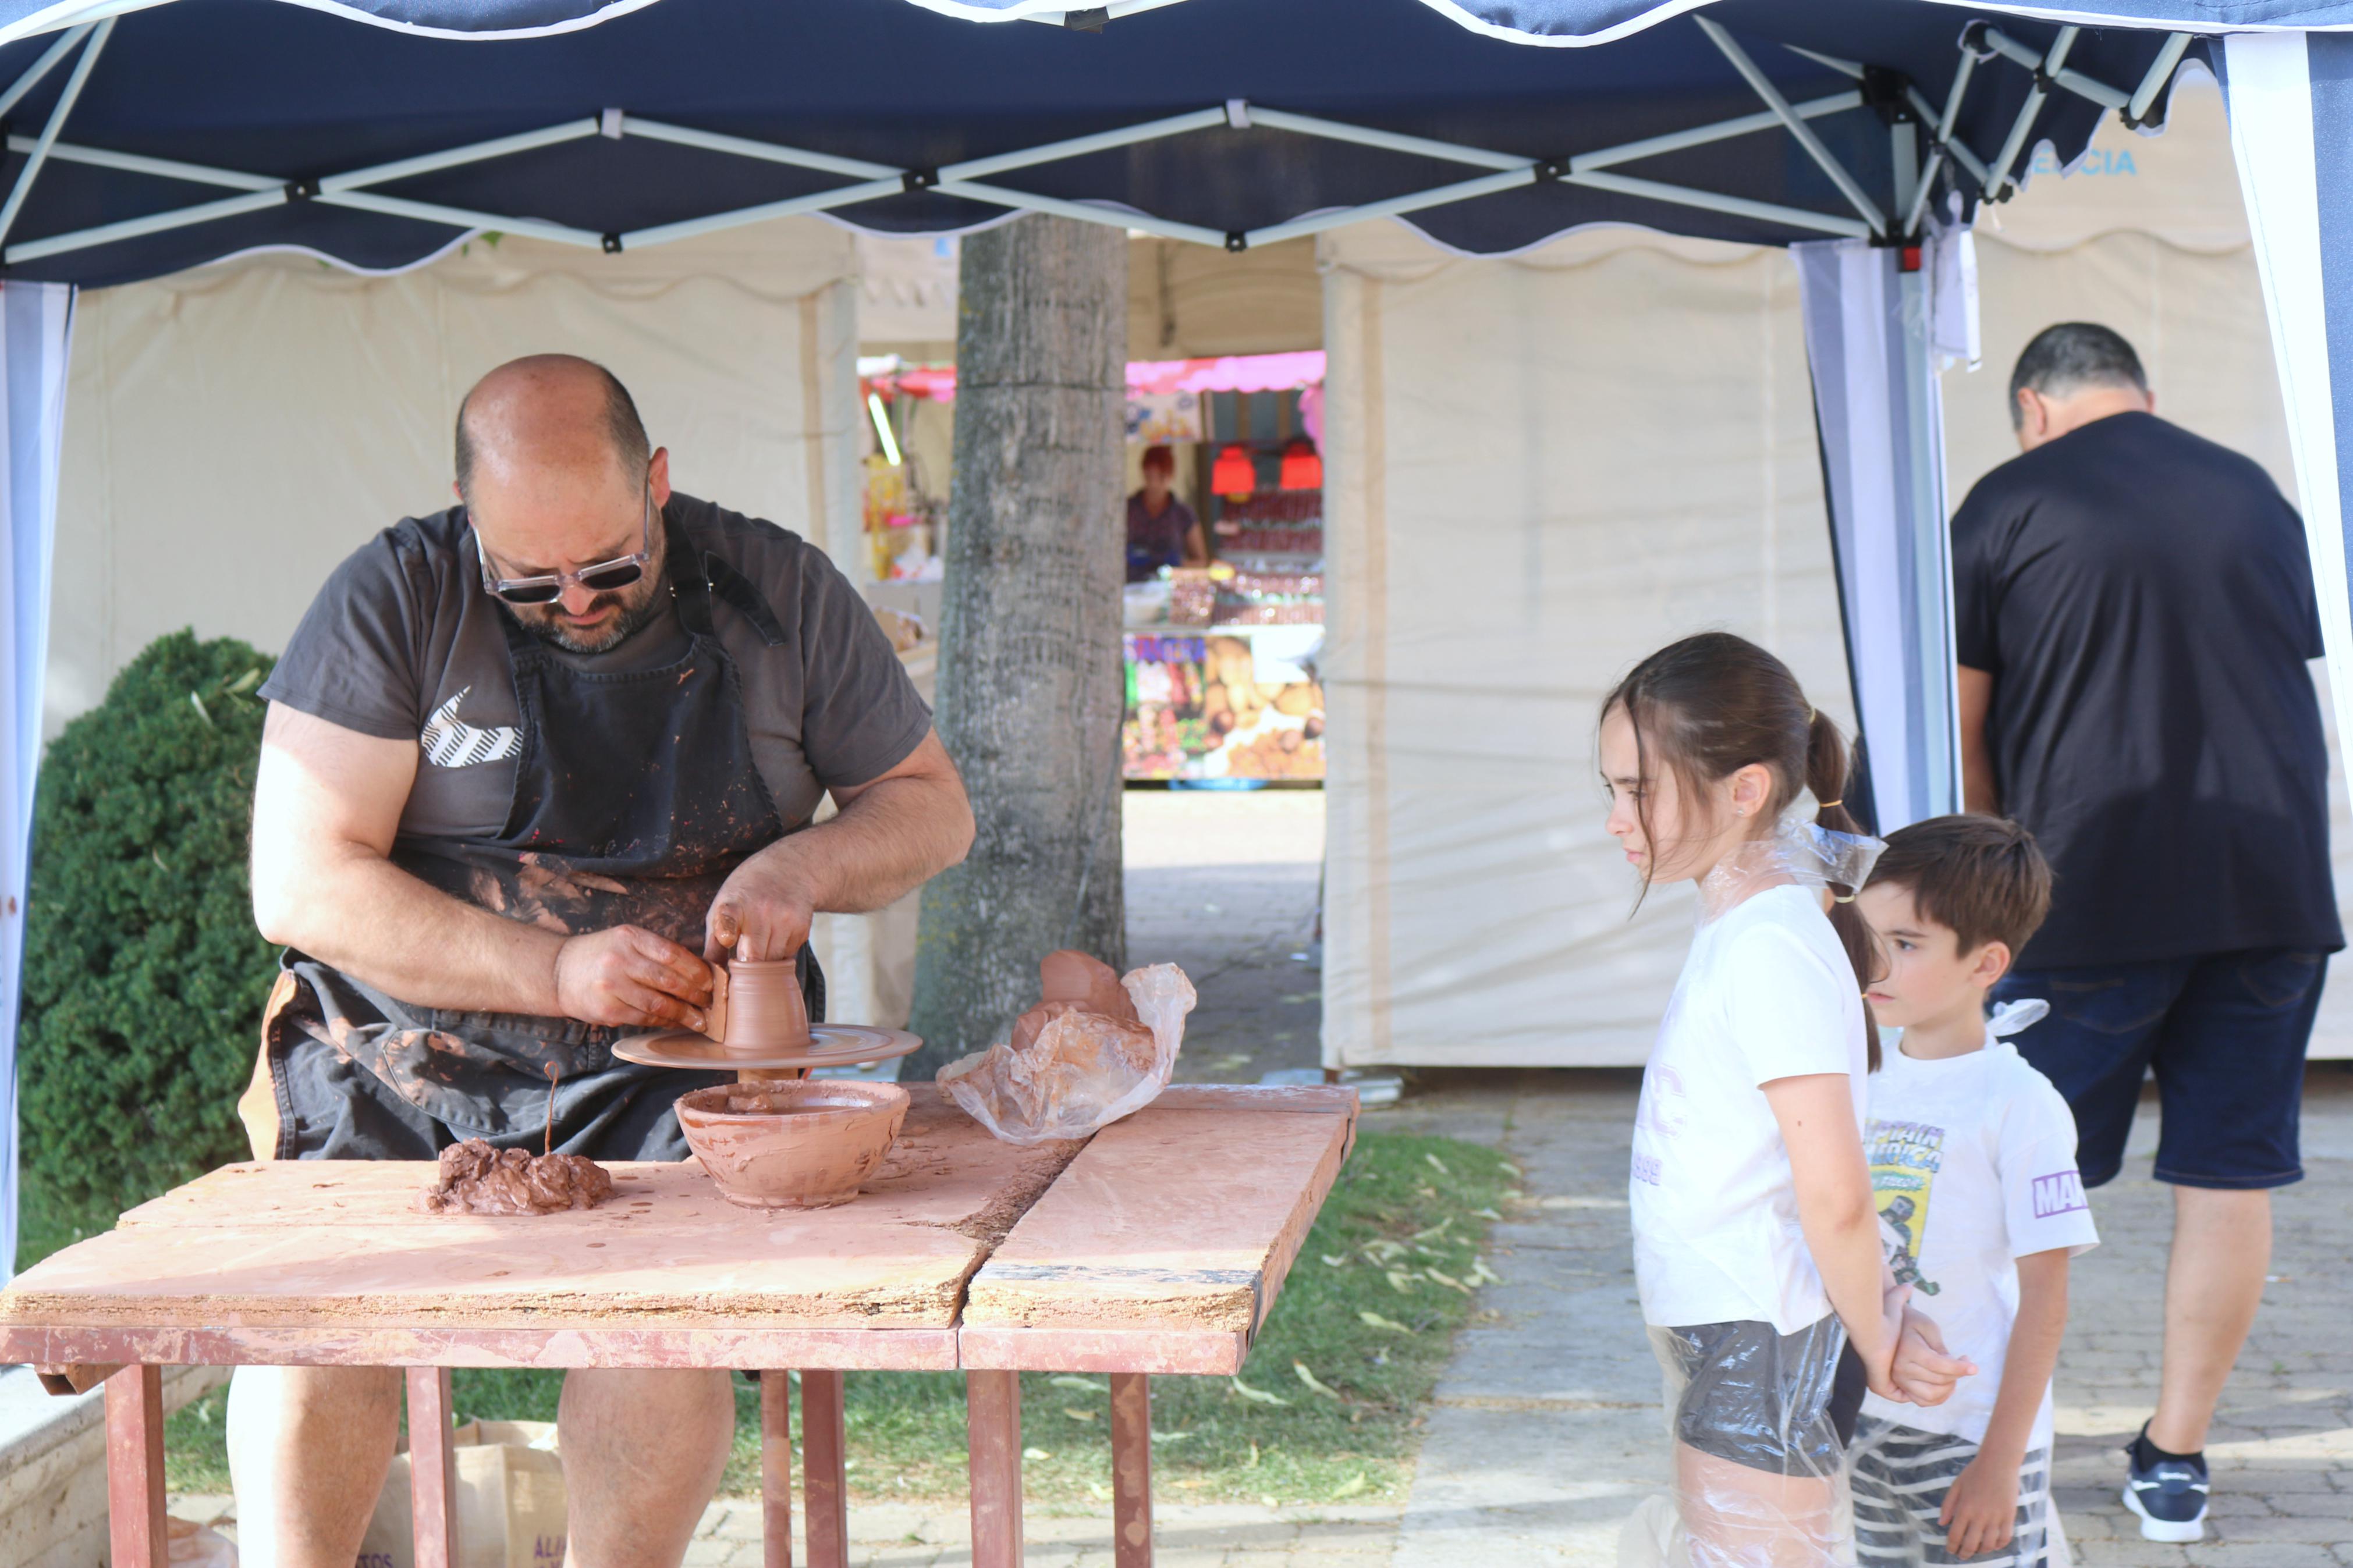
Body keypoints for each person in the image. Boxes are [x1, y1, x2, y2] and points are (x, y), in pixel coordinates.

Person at [234, 354, 975, 1568]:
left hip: (675, 1052)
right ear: (467, 514)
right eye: (529, 578)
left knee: (654, 1320)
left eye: (611, 566)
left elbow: (927, 806)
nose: (576, 600)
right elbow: (301, 882)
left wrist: (801, 868)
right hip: (407, 1036)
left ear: (659, 488)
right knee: (318, 1312)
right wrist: (554, 971)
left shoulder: (774, 588)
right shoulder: (396, 595)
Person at [1952, 322, 2341, 1542]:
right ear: (2142, 398)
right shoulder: (2250, 492)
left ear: (2031, 407)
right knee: (2228, 1171)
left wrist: (1977, 882)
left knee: (2019, 1180)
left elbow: (1967, 719)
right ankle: (2173, 1459)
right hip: (2267, 878)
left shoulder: (2004, 501)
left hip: (2085, 885)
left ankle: (1987, 1443)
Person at [1606, 632, 1973, 1565]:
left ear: (1745, 788)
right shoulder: (1749, 920)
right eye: (1609, 788)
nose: (1616, 816)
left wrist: (1879, 1327)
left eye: (1636, 788)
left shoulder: (1770, 939)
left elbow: (1835, 1191)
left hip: (1762, 1332)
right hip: (1737, 1324)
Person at [1851, 816, 2100, 1567]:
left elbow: (2044, 1299)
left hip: (1970, 1432)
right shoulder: (1853, 1072)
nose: (1873, 960)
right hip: (1862, 1416)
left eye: (1905, 942)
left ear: (1984, 962)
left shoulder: (2017, 1102)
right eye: (1865, 935)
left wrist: (2000, 1462)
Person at [1126, 443, 1207, 582]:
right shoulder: (1128, 509)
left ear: (1171, 476)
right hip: (1132, 588)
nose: (1154, 484)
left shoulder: (1183, 513)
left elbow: (1201, 561)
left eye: (1161, 477)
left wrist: (1178, 566)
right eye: (1150, 477)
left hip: (1169, 589)